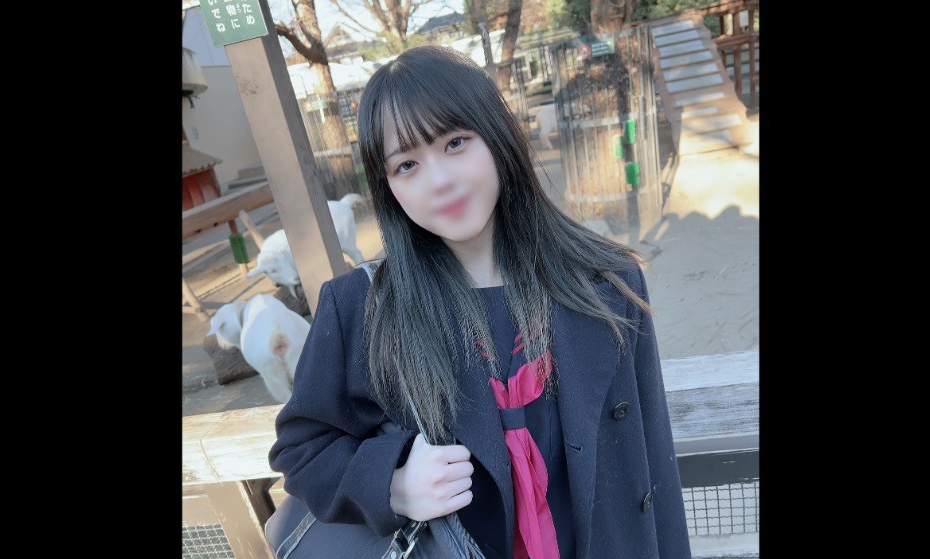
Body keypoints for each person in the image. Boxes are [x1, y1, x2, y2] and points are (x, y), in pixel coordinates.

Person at [268, 45, 692, 559]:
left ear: (497, 136)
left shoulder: (605, 279)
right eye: (406, 165)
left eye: (455, 143)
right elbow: (303, 448)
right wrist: (392, 483)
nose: (440, 181)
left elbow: (652, 459)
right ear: (388, 187)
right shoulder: (361, 307)